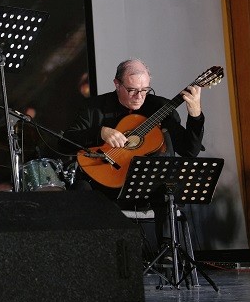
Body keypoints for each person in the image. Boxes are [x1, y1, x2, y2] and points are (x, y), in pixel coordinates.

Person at [62, 59, 204, 258]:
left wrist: (195, 115)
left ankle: (167, 254)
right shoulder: (94, 108)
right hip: (104, 188)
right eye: (132, 90)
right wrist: (100, 132)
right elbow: (64, 142)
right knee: (80, 190)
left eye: (145, 90)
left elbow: (189, 151)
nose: (139, 96)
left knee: (167, 189)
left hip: (145, 189)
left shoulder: (160, 107)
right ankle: (90, 258)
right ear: (117, 84)